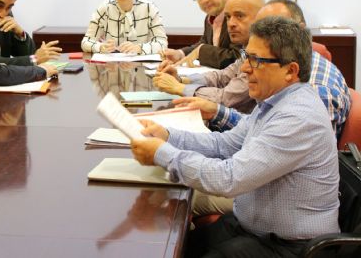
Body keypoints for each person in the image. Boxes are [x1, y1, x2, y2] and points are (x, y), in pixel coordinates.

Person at [131, 17, 339, 257]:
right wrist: (167, 136)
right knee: (178, 245)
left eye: (256, 61)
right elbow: (224, 144)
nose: (244, 68)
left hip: (292, 248)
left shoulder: (298, 117)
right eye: (246, 57)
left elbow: (229, 179)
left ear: (290, 71)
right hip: (253, 230)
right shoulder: (273, 100)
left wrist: (161, 153)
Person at [177, 0, 351, 136]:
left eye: (275, 29)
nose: (245, 69)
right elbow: (258, 125)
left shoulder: (318, 93)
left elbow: (269, 140)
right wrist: (215, 111)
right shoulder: (266, 57)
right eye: (260, 28)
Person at [153, 0, 265, 115]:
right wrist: (181, 80)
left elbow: (225, 98)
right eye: (228, 17)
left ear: (262, 18)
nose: (231, 24)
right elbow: (222, 77)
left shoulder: (263, 56)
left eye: (239, 16)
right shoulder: (246, 51)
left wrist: (180, 88)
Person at [162, 0, 241, 69]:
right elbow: (203, 43)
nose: (203, 0)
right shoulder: (211, 16)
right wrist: (180, 53)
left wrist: (201, 51)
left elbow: (237, 58)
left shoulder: (240, 12)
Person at [81, 0, 168, 55]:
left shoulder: (150, 8)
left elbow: (162, 43)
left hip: (141, 64)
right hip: (112, 65)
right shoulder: (105, 8)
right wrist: (100, 47)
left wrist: (139, 48)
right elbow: (85, 42)